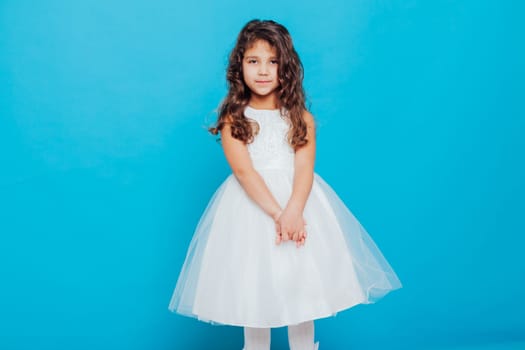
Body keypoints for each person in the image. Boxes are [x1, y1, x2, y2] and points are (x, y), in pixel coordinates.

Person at [168, 19, 402, 350]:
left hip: (300, 208)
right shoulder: (234, 118)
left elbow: (304, 169)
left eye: (273, 61)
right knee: (253, 291)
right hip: (252, 211)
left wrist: (294, 212)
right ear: (240, 66)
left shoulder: (300, 117)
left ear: (286, 68)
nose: (263, 70)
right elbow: (245, 173)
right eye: (253, 61)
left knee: (302, 290)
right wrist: (280, 215)